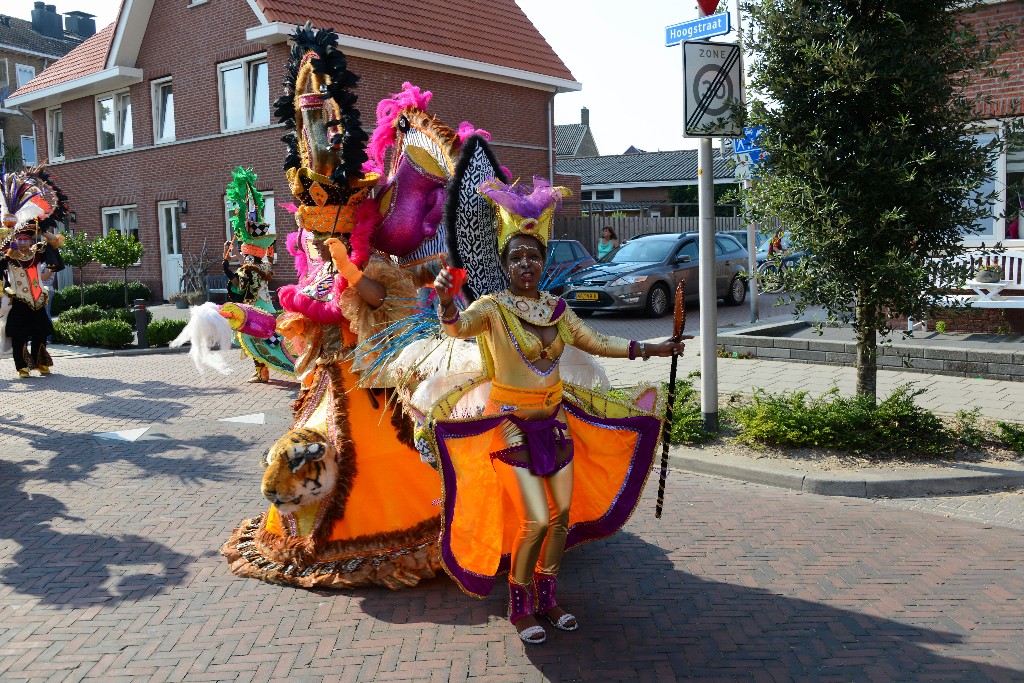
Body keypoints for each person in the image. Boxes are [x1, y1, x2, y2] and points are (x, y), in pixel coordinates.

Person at [429, 178, 683, 645]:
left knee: (561, 514)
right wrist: (447, 301)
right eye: (516, 257)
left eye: (533, 256)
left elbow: (597, 341)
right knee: (536, 520)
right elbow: (457, 329)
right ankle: (519, 603)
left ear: (543, 261)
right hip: (509, 423)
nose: (526, 263)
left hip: (556, 421)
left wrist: (651, 348)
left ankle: (548, 596)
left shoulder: (558, 308)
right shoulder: (492, 307)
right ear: (505, 265)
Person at [2, 224, 63, 378]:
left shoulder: (37, 253)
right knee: (19, 335)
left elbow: (54, 242)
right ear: (15, 240)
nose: (22, 242)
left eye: (26, 239)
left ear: (30, 241)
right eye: (19, 239)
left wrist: (42, 230)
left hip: (38, 300)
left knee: (41, 332)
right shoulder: (8, 256)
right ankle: (22, 367)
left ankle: (41, 362)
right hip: (19, 300)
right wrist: (6, 233)